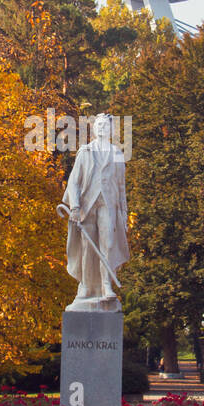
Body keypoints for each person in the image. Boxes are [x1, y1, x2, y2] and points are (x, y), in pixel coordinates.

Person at [59, 113, 129, 310]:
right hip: (87, 205)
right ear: (93, 129)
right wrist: (74, 206)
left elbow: (121, 186)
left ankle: (106, 286)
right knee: (88, 247)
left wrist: (123, 213)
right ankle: (86, 287)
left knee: (107, 243)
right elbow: (74, 181)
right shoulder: (86, 151)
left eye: (104, 126)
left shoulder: (117, 153)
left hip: (108, 204)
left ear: (111, 130)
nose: (101, 129)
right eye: (98, 126)